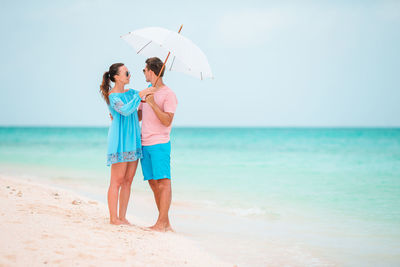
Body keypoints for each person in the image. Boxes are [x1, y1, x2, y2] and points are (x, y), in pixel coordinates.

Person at [100, 63, 154, 225]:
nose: (130, 75)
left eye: (129, 72)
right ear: (116, 77)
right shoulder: (112, 96)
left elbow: (136, 113)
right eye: (126, 73)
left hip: (134, 140)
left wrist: (149, 92)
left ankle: (122, 217)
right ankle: (113, 218)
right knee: (116, 181)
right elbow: (125, 111)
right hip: (120, 141)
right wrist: (140, 97)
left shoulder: (132, 93)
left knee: (128, 181)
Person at [139, 57, 178, 232]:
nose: (144, 73)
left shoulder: (169, 94)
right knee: (153, 183)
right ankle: (165, 222)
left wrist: (153, 103)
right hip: (144, 143)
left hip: (159, 143)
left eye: (144, 70)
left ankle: (161, 223)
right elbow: (140, 115)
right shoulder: (147, 90)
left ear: (151, 72)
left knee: (163, 182)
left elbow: (167, 121)